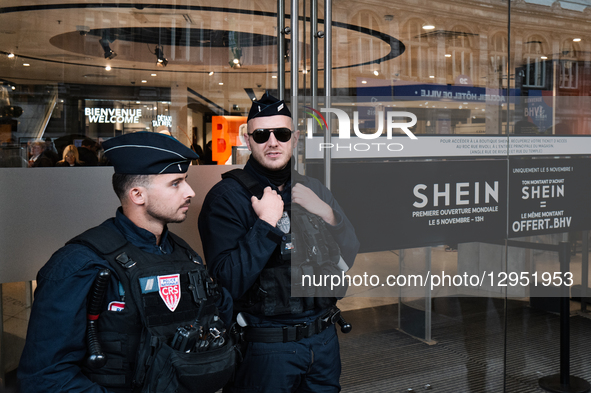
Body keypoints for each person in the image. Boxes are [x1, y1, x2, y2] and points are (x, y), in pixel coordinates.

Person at [18, 131, 233, 393]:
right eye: (176, 183)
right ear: (137, 194)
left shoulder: (183, 253)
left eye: (185, 180)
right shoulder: (80, 263)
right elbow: (46, 377)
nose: (190, 192)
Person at [198, 93, 359, 393]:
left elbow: (349, 253)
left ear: (295, 138)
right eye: (261, 135)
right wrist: (265, 224)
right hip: (266, 349)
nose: (272, 142)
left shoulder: (313, 189)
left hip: (323, 342)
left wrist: (327, 212)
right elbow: (229, 281)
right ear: (247, 140)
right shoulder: (226, 199)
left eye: (281, 133)